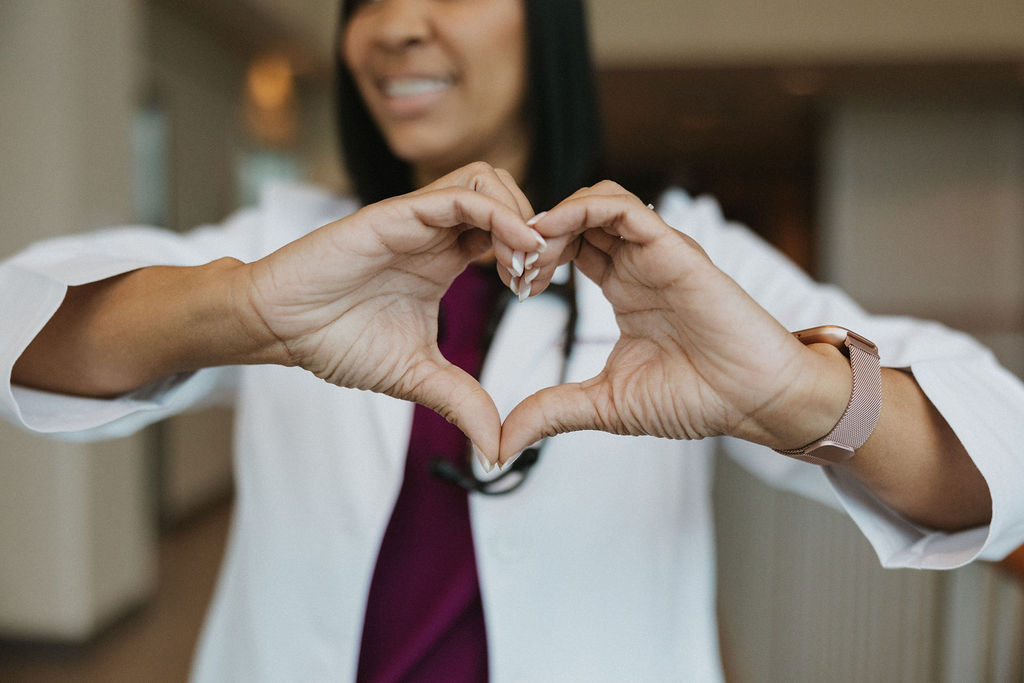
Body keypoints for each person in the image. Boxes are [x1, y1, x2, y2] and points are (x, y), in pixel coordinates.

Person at [1, 0, 1022, 680]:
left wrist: (800, 396)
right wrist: (245, 310)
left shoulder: (688, 253)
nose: (396, 25)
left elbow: (1000, 461)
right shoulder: (283, 242)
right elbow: (24, 319)